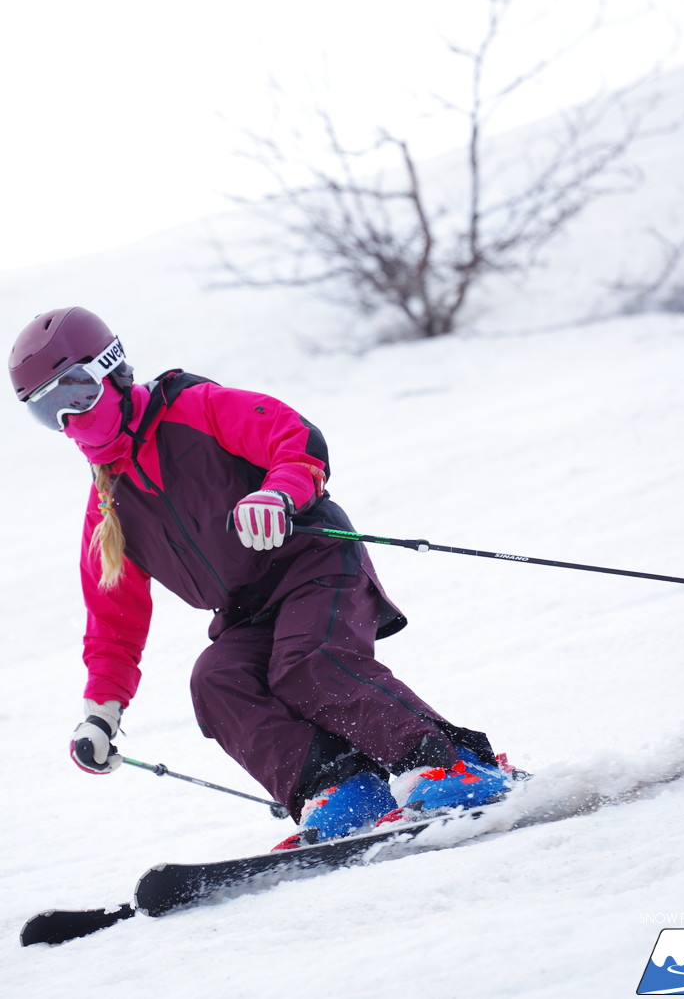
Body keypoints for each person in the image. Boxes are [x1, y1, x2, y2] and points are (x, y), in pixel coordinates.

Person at [9, 306, 514, 849]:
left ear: (112, 370)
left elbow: (295, 436)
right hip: (248, 608)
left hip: (312, 561)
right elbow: (113, 620)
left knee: (309, 663)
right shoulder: (107, 502)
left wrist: (279, 493)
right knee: (217, 681)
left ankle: (452, 767)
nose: (70, 420)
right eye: (48, 411)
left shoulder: (194, 409)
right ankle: (342, 791)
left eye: (77, 393)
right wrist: (101, 715)